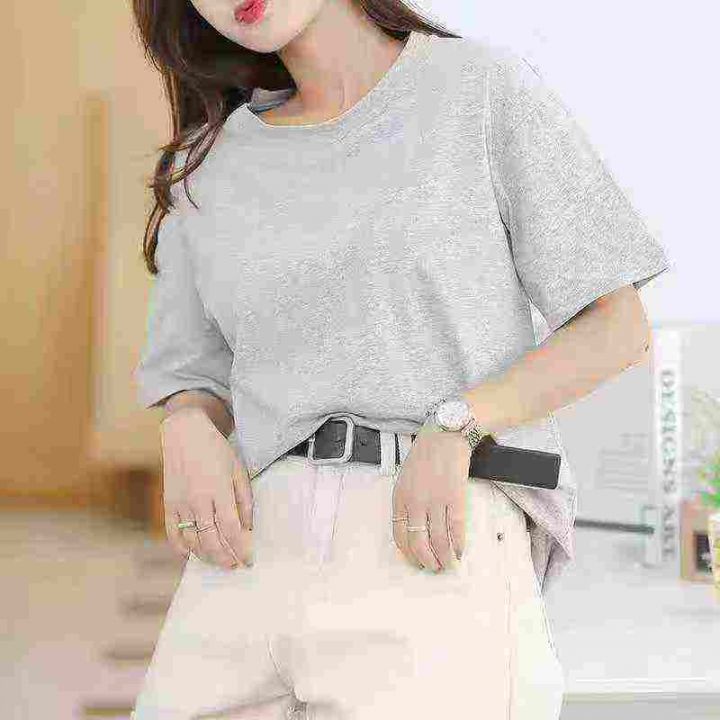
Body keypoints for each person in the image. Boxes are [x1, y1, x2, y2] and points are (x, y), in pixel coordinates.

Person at [130, 0, 672, 718]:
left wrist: (460, 423)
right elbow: (190, 373)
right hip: (248, 555)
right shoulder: (207, 165)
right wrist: (186, 427)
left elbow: (616, 326)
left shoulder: (478, 90)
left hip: (428, 538)